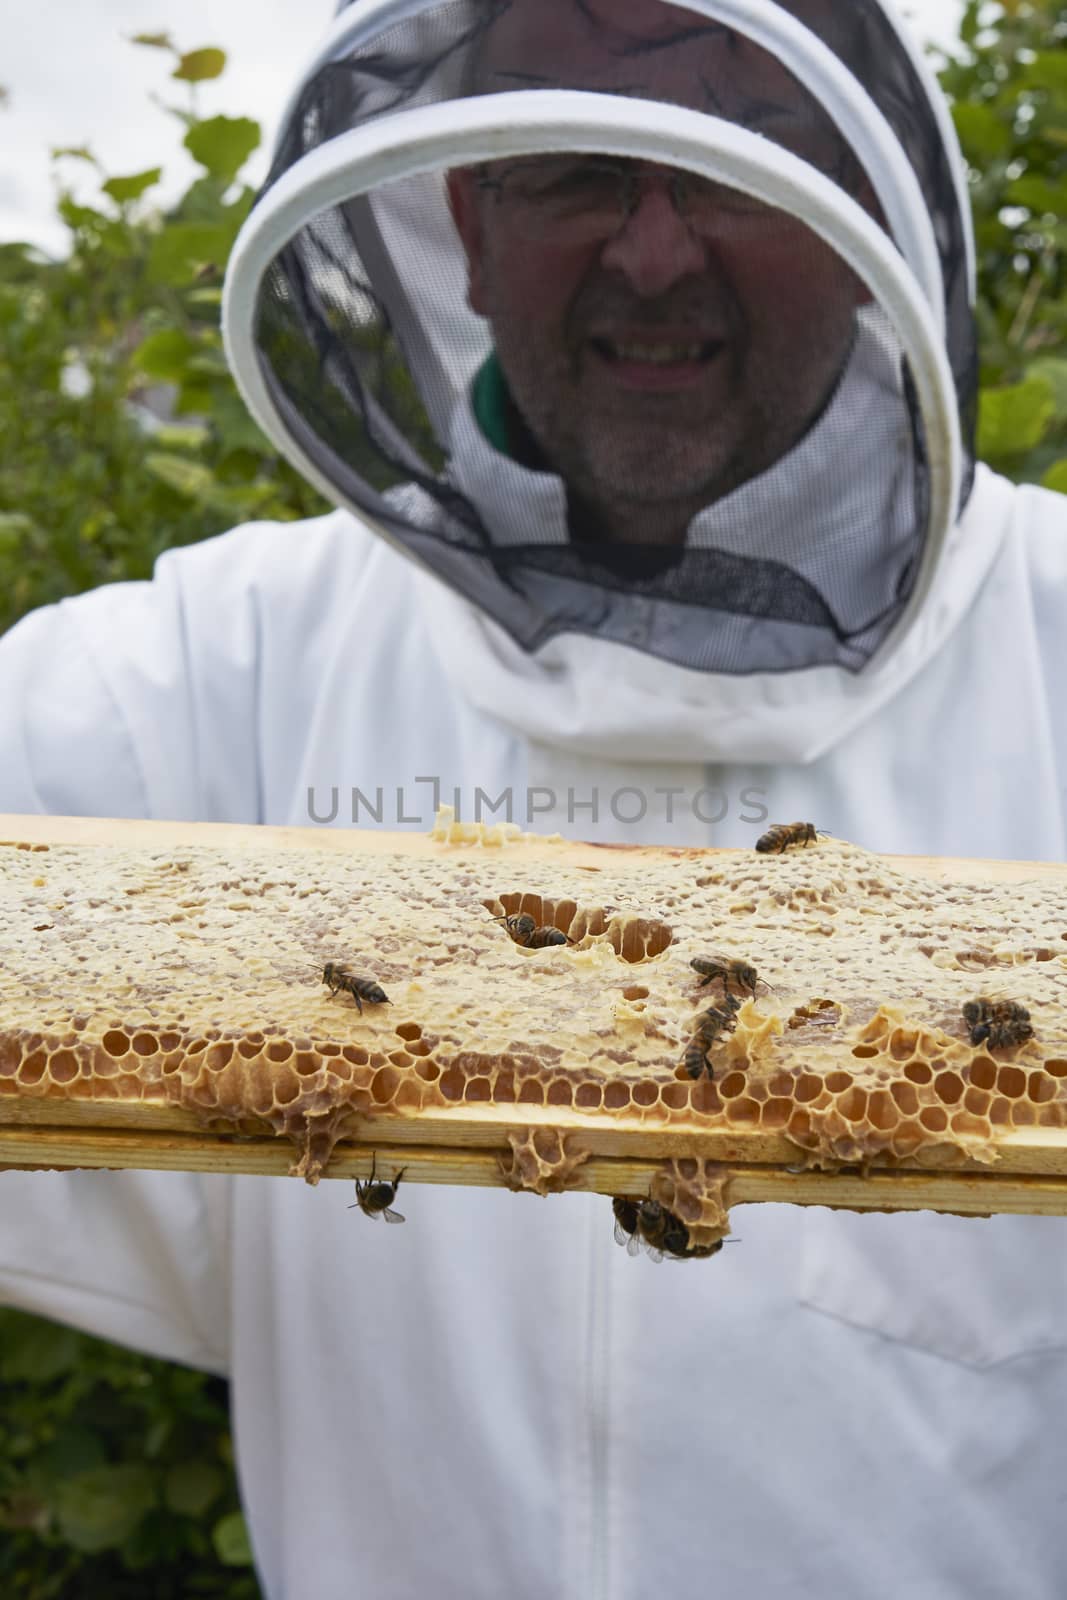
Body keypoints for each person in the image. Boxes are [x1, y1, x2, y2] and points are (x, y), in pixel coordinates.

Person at [2, 1, 1067, 1595]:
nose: (652, 252)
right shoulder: (211, 677)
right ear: (464, 218)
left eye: (736, 160)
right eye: (573, 169)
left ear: (865, 214)